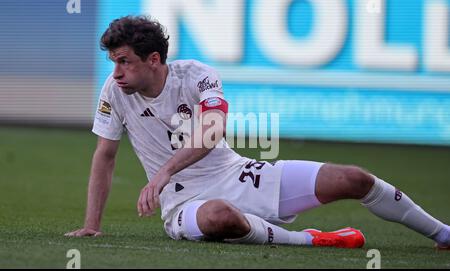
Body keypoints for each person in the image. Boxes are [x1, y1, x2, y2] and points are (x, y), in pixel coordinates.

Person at [65, 16, 450, 249]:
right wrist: (91, 225)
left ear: (153, 60)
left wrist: (164, 172)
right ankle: (314, 239)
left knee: (353, 178)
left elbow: (212, 131)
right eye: (112, 62)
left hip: (238, 174)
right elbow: (105, 155)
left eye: (123, 62)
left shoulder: (198, 75)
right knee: (220, 217)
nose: (115, 73)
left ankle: (443, 233)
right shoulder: (114, 92)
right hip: (184, 205)